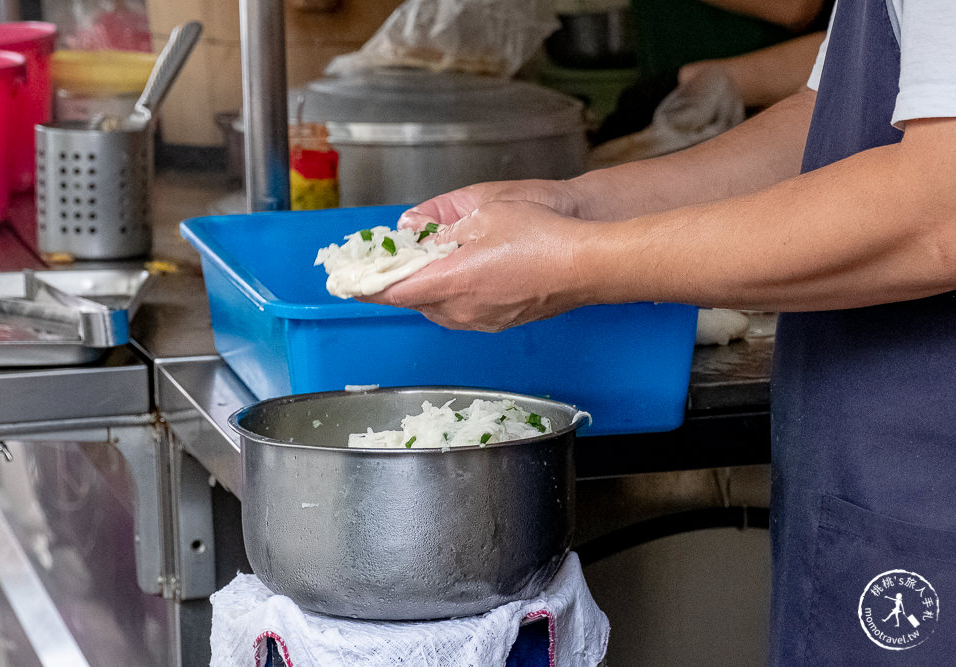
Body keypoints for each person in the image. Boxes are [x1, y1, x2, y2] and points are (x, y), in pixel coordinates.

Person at [363, 0, 956, 663]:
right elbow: (830, 129)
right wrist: (571, 205)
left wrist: (575, 262)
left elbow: (943, 206)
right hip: (869, 474)